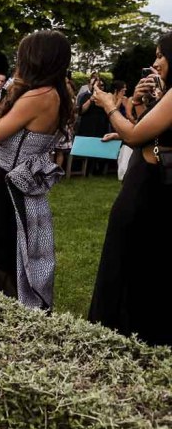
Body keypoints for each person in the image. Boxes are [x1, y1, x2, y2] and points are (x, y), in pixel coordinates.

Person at [0, 30, 72, 310]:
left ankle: (0, 311)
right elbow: (4, 134)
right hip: (19, 181)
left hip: (10, 184)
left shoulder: (38, 96)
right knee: (7, 247)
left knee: (2, 251)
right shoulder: (55, 93)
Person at [88, 32, 172, 346]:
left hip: (148, 192)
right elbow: (150, 133)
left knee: (128, 263)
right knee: (139, 264)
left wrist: (111, 107)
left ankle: (123, 333)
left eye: (160, 55)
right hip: (149, 184)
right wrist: (137, 104)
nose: (155, 62)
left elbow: (137, 137)